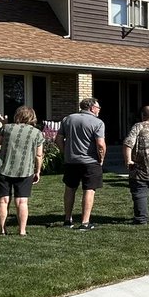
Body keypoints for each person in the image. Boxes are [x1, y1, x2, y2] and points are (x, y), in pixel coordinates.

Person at [0, 105, 44, 236]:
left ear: (17, 116)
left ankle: (2, 230)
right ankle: (22, 230)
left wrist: (3, 126)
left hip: (2, 168)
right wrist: (37, 171)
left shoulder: (7, 128)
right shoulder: (37, 132)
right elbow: (39, 155)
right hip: (25, 170)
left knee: (2, 200)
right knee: (22, 201)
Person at [59, 97, 105, 230]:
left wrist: (65, 153)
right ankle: (85, 222)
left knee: (69, 188)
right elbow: (100, 144)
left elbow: (58, 139)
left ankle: (67, 219)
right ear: (92, 108)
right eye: (98, 108)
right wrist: (101, 158)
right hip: (90, 161)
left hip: (71, 161)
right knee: (89, 190)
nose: (99, 110)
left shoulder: (68, 119)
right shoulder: (97, 122)